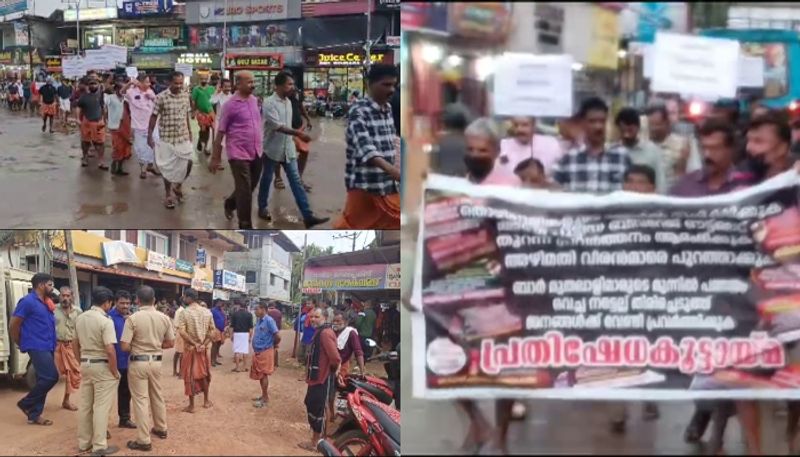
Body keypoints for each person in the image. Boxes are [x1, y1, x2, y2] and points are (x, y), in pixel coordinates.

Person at [257, 71, 329, 228]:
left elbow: (289, 125)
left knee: (296, 181)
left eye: (292, 84)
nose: (292, 87)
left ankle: (308, 216)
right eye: (289, 84)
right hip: (271, 148)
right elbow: (277, 126)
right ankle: (262, 207)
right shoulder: (269, 103)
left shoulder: (289, 102)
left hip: (288, 148)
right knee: (267, 179)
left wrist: (297, 134)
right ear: (279, 86)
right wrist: (298, 134)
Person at [333, 64, 401, 229]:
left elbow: (392, 141)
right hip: (364, 188)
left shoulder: (388, 108)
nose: (391, 89)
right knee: (352, 226)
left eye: (394, 85)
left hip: (387, 186)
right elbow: (366, 149)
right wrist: (394, 171)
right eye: (386, 85)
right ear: (370, 84)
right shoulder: (358, 111)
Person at [120, 285, 175, 452]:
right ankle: (161, 428)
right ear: (154, 300)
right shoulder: (164, 318)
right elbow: (170, 342)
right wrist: (155, 346)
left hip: (138, 362)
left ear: (137, 300)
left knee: (140, 400)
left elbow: (124, 346)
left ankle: (144, 440)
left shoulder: (133, 318)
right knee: (157, 395)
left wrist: (138, 348)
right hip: (156, 361)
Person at [209, 71, 264, 229]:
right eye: (249, 82)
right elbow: (220, 132)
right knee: (245, 191)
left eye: (253, 82)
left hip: (257, 151)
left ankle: (230, 203)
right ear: (238, 84)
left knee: (249, 187)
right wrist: (215, 157)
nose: (253, 85)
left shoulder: (254, 101)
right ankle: (245, 225)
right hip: (238, 153)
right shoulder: (230, 105)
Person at [74, 286, 120, 456]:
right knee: (101, 407)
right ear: (107, 303)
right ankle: (99, 446)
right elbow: (110, 349)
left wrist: (81, 361)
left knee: (86, 406)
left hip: (86, 364)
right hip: (102, 365)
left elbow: (74, 343)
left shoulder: (80, 317)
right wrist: (114, 371)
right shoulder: (105, 321)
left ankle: (84, 443)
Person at [552, 97, 633, 193]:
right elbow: (553, 192)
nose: (598, 127)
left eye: (602, 121)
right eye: (592, 121)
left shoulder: (622, 156)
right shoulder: (568, 159)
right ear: (582, 123)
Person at [11, 273, 58, 426]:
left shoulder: (46, 303)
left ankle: (34, 414)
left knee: (42, 379)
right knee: (51, 377)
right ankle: (25, 403)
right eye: (50, 285)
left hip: (48, 345)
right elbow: (14, 324)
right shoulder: (27, 302)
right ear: (40, 285)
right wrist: (20, 341)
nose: (52, 288)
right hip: (36, 345)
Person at [148, 71, 193, 209]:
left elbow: (186, 114)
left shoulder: (186, 96)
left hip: (183, 137)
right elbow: (154, 117)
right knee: (168, 168)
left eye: (181, 83)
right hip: (167, 138)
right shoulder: (160, 97)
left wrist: (190, 132)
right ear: (169, 82)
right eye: (176, 83)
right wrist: (149, 135)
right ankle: (168, 195)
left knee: (189, 162)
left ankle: (178, 186)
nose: (179, 86)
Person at [297, 308, 341, 452]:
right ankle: (319, 440)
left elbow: (335, 358)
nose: (313, 319)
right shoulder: (321, 332)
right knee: (312, 404)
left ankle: (316, 443)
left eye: (317, 316)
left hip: (322, 378)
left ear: (325, 317)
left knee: (318, 409)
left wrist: (331, 372)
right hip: (316, 378)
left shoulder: (325, 333)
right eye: (312, 317)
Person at [175, 288, 215, 413]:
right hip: (203, 349)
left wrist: (194, 343)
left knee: (190, 376)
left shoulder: (184, 313)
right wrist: (203, 344)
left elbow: (182, 331)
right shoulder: (207, 312)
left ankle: (192, 406)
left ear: (188, 297)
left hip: (190, 349)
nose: (183, 299)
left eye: (184, 297)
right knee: (204, 374)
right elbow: (212, 331)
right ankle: (206, 400)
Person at [613, 107, 667, 193]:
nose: (627, 133)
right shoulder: (612, 152)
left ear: (638, 128)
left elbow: (661, 182)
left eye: (630, 129)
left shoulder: (652, 150)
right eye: (623, 129)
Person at [122, 74, 161, 179]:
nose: (148, 84)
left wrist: (152, 97)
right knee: (141, 148)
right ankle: (142, 170)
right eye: (146, 82)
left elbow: (158, 103)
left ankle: (150, 166)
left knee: (153, 146)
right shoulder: (131, 92)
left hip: (151, 125)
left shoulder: (150, 92)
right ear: (139, 82)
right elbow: (122, 92)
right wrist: (130, 83)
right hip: (138, 126)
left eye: (149, 82)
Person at [108, 290, 136, 429]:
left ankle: (124, 419)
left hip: (127, 362)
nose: (125, 306)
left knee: (125, 391)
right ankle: (102, 426)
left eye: (127, 303)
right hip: (111, 362)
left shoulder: (131, 319)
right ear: (115, 302)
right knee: (106, 395)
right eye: (122, 303)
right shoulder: (108, 318)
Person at [462, 117, 521, 186]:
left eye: (482, 151)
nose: (475, 155)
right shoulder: (458, 180)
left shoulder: (510, 183)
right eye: (470, 149)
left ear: (497, 151)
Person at [497, 116, 564, 176]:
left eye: (524, 125)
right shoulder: (503, 145)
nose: (519, 129)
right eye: (516, 125)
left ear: (534, 125)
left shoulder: (551, 144)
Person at [645, 104, 691, 188]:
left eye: (657, 125)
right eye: (650, 125)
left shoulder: (682, 144)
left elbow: (690, 173)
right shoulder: (644, 145)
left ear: (667, 123)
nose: (653, 129)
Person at [54, 286, 81, 412]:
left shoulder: (78, 311)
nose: (65, 298)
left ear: (72, 297)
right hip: (55, 346)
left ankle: (66, 400)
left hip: (71, 346)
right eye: (63, 295)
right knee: (50, 375)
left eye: (68, 296)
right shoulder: (52, 309)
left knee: (73, 373)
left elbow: (81, 329)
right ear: (59, 297)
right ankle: (39, 400)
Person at [250, 303, 280, 408]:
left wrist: (273, 345)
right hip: (258, 351)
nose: (255, 311)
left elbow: (277, 335)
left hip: (265, 351)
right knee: (260, 375)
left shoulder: (269, 320)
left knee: (263, 374)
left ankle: (265, 399)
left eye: (257, 309)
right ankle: (263, 395)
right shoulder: (259, 320)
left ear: (263, 309)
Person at [76, 75, 108, 169]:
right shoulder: (84, 97)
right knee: (85, 142)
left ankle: (101, 161)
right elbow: (78, 107)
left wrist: (104, 119)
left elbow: (103, 108)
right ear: (88, 86)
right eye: (91, 84)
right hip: (87, 122)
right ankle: (85, 158)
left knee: (101, 143)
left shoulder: (101, 95)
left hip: (98, 122)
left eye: (95, 83)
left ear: (98, 85)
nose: (93, 85)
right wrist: (78, 118)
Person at [432, 103, 470, 177]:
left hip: (441, 183)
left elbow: (433, 167)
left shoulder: (438, 142)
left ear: (445, 123)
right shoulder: (470, 143)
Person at [289, 84, 313, 191]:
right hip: (287, 131)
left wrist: (308, 119)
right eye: (290, 85)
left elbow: (301, 108)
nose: (293, 89)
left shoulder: (296, 98)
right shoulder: (283, 99)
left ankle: (298, 178)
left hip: (298, 129)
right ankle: (278, 178)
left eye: (294, 86)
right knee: (278, 157)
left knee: (304, 152)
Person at [106, 83, 132, 176]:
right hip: (114, 126)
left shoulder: (126, 99)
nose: (124, 90)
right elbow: (103, 103)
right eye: (122, 88)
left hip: (125, 127)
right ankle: (114, 165)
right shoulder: (110, 98)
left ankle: (120, 168)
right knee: (117, 147)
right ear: (116, 89)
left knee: (125, 148)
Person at [191, 73, 217, 154]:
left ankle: (206, 147)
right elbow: (193, 101)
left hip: (210, 112)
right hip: (200, 112)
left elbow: (215, 100)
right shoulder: (196, 89)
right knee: (203, 129)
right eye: (202, 79)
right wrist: (193, 112)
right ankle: (201, 139)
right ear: (199, 79)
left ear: (208, 79)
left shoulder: (212, 89)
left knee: (210, 129)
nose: (204, 80)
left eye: (205, 79)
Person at [230, 302, 254, 373]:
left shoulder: (235, 314)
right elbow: (251, 327)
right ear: (246, 307)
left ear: (239, 306)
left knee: (237, 351)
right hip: (245, 334)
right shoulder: (249, 315)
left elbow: (232, 326)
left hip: (237, 333)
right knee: (245, 351)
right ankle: (245, 367)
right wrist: (250, 336)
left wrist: (231, 335)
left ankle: (237, 368)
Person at [210, 300, 227, 367]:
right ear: (216, 303)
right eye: (219, 303)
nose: (221, 304)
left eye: (221, 303)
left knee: (219, 345)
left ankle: (215, 359)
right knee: (214, 345)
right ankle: (212, 361)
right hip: (215, 329)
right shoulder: (213, 310)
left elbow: (224, 319)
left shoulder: (221, 311)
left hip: (221, 330)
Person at [267, 302, 283, 367]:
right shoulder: (279, 312)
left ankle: (269, 362)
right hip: (276, 331)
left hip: (268, 332)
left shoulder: (267, 312)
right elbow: (280, 323)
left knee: (268, 348)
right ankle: (275, 363)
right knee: (275, 347)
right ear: (274, 306)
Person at [172, 300, 185, 378]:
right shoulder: (181, 311)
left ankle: (175, 371)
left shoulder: (180, 310)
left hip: (178, 332)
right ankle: (180, 373)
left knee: (177, 353)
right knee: (181, 353)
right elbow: (178, 324)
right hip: (181, 332)